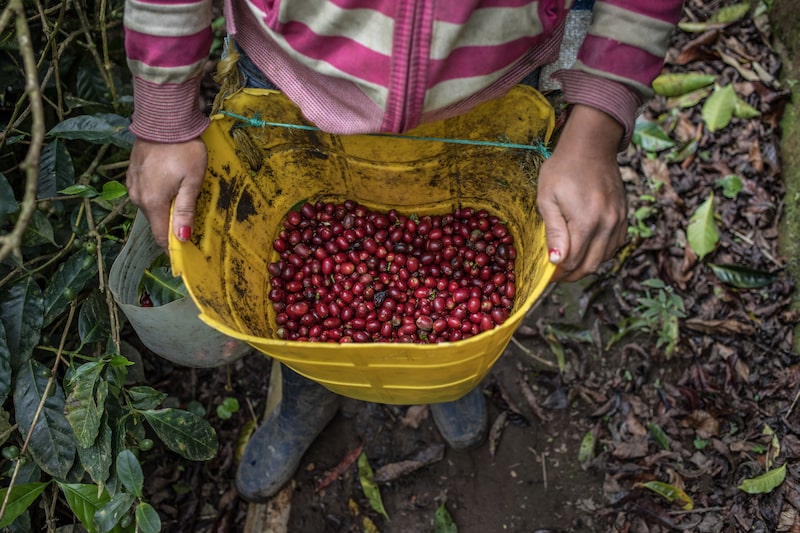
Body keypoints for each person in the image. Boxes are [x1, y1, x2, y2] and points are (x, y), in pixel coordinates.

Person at [123, 0, 684, 503]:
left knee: (463, 329)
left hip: (496, 82)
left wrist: (597, 121)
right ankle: (308, 390)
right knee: (302, 335)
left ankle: (455, 374)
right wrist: (164, 111)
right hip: (289, 79)